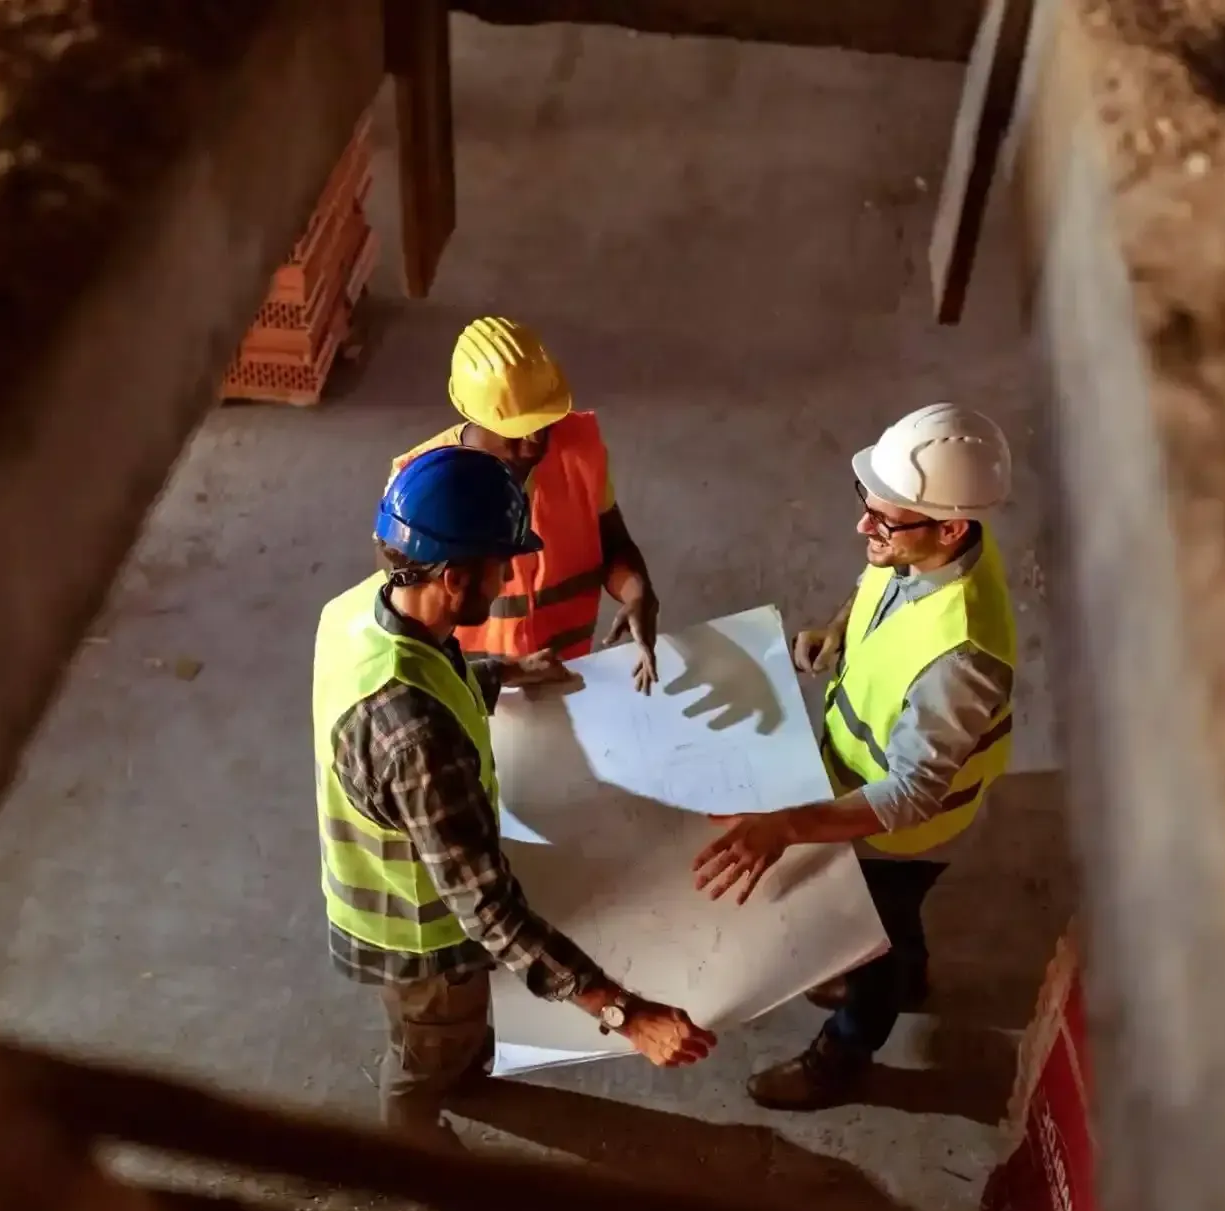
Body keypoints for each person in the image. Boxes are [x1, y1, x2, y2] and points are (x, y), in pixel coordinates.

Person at [316, 445, 715, 1147]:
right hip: (420, 937)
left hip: (389, 885)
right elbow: (487, 910)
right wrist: (625, 1014)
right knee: (427, 1052)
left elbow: (420, 671)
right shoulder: (416, 738)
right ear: (453, 577)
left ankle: (452, 1073)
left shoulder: (359, 609)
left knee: (447, 1038)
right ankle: (410, 1146)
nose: (509, 580)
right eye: (501, 566)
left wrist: (500, 671)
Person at [691, 404, 1018, 1110]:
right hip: (856, 789)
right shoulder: (928, 548)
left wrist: (785, 827)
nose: (862, 528)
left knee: (873, 942)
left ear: (949, 527)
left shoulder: (961, 659)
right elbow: (883, 586)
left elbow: (911, 795)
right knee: (887, 924)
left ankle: (845, 1051)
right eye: (867, 505)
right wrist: (840, 631)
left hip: (903, 834)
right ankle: (908, 969)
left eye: (884, 521)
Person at [390, 316, 662, 692]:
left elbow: (613, 543)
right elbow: (405, 620)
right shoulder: (418, 489)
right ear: (477, 417)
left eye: (544, 420)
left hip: (564, 670)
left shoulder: (579, 449)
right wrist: (496, 675)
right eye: (519, 428)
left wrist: (636, 593)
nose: (535, 438)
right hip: (475, 687)